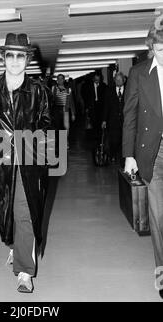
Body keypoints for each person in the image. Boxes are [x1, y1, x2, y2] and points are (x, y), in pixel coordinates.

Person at [0, 33, 53, 293]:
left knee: (25, 213)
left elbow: (47, 126)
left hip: (29, 165)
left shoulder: (39, 90)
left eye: (20, 55)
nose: (15, 61)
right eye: (10, 55)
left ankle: (25, 272)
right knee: (6, 214)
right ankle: (14, 246)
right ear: (3, 58)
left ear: (27, 59)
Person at [123, 14, 163, 300]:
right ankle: (162, 272)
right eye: (160, 48)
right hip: (153, 154)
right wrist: (129, 155)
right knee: (159, 217)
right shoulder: (139, 73)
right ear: (152, 47)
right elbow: (130, 117)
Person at [102, 71, 126, 164]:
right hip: (113, 120)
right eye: (116, 80)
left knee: (124, 140)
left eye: (120, 80)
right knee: (114, 140)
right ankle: (112, 155)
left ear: (124, 80)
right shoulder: (109, 91)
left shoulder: (128, 90)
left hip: (125, 120)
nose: (118, 82)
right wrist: (104, 120)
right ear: (114, 81)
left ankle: (122, 158)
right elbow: (106, 106)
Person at [51, 74, 75, 146]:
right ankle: (58, 143)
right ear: (57, 80)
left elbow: (71, 102)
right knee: (57, 127)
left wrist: (73, 113)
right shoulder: (54, 88)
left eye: (61, 79)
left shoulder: (68, 89)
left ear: (64, 80)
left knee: (66, 127)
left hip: (65, 109)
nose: (60, 80)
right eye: (58, 79)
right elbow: (51, 100)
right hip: (56, 110)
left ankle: (65, 141)